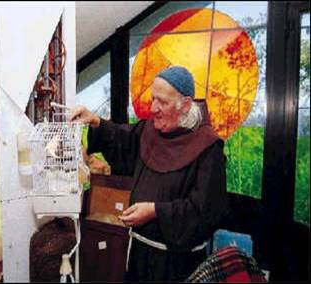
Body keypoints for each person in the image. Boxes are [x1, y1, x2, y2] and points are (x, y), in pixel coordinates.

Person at [68, 66, 229, 282]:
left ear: (186, 105)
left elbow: (205, 211)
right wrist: (96, 121)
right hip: (139, 256)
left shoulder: (208, 148)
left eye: (162, 102)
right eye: (153, 99)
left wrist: (156, 211)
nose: (153, 108)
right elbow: (123, 139)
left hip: (177, 267)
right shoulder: (151, 130)